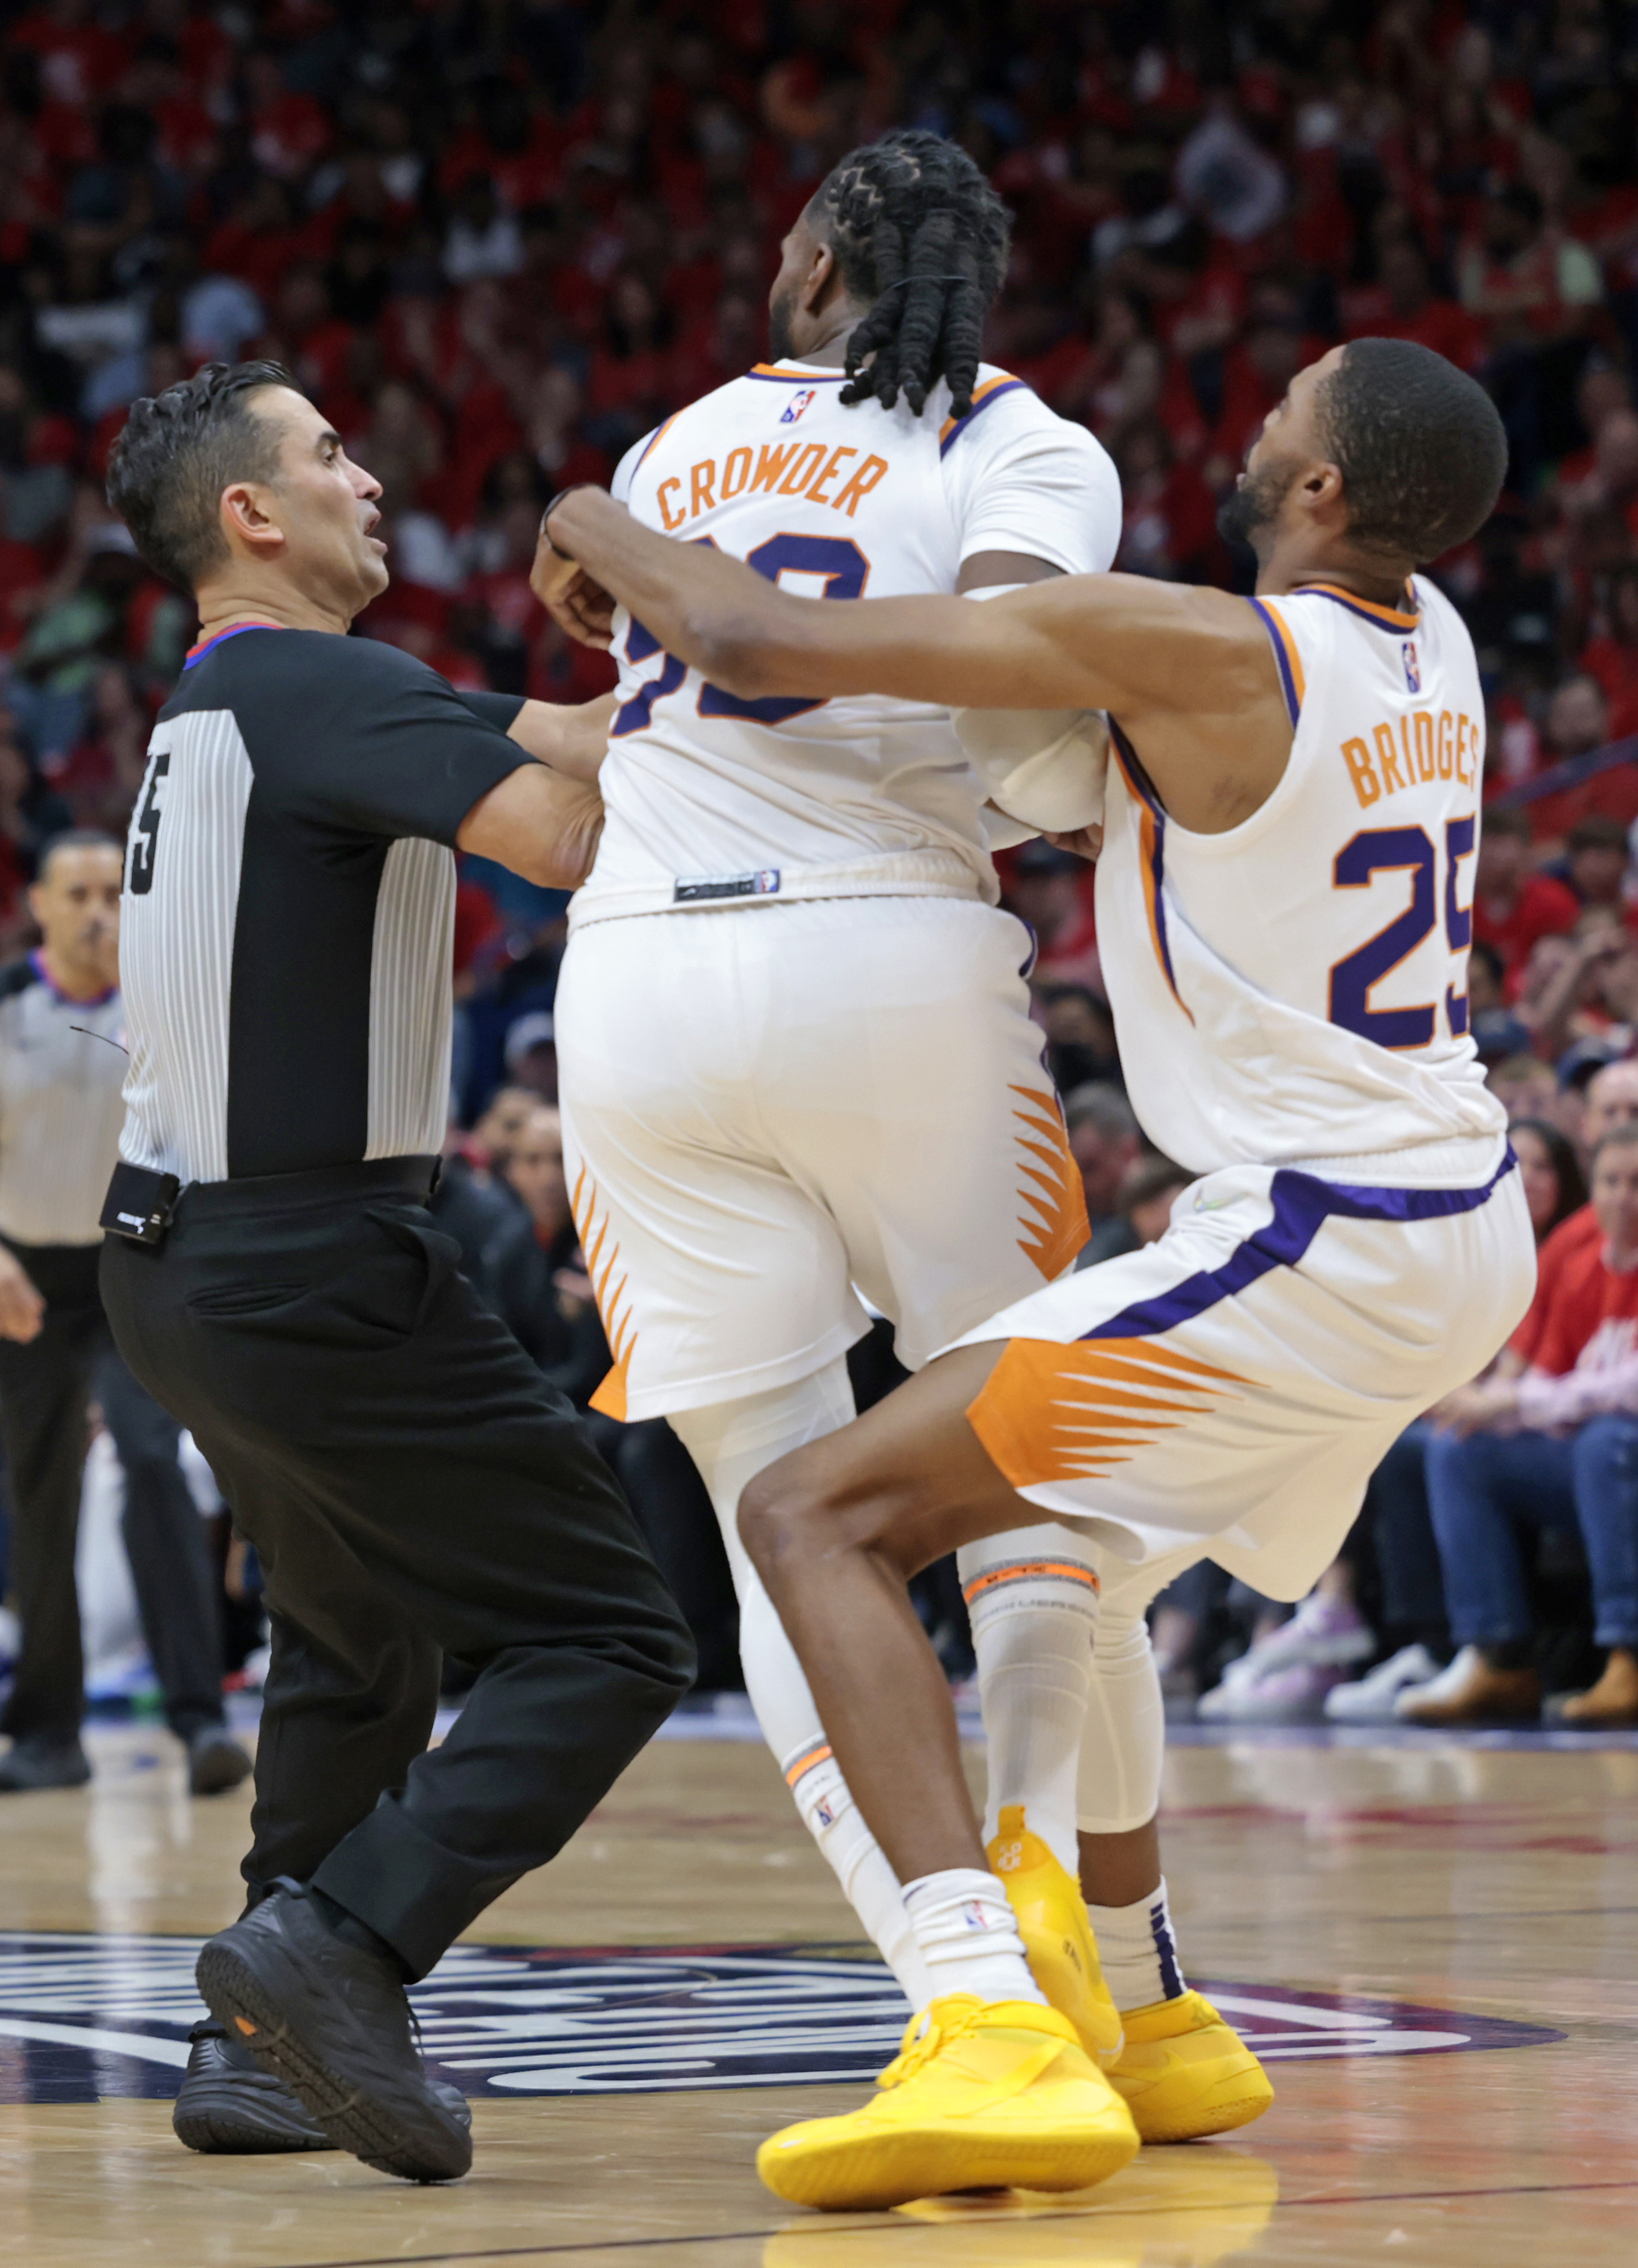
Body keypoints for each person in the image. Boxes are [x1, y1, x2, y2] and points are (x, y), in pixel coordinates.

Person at [539, 335, 1528, 2207]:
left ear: (1324, 490)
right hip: (1451, 1216)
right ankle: (1149, 2008)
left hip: (1322, 1234)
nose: (1248, 428)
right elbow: (1135, 785)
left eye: (1280, 414)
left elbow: (767, 648)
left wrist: (598, 514)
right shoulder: (1432, 640)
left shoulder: (1214, 649)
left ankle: (990, 2021)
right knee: (1079, 1562)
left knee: (819, 1511)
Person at [539, 129, 1179, 2105]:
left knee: (781, 1524)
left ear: (813, 253)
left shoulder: (669, 452)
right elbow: (1010, 719)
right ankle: (1077, 1916)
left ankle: (963, 1991)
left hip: (636, 975)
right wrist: (1061, 794)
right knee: (1027, 1459)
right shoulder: (1027, 445)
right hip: (896, 961)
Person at [96, 361, 692, 2182]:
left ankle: (258, 2048)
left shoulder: (234, 699)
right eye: (330, 455)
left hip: (173, 1263)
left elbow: (571, 737)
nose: (369, 478)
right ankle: (339, 1947)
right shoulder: (325, 684)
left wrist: (721, 683)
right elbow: (568, 833)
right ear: (251, 518)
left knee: (358, 1633)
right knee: (615, 1626)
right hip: (312, 1252)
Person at [0, 828, 247, 1797]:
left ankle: (200, 1717)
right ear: (36, 905)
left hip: (132, 1266)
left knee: (147, 1460)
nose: (95, 912)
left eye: (109, 894)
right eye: (74, 893)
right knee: (37, 1490)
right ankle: (47, 1732)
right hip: (23, 1274)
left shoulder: (162, 1001)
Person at [1403, 1121, 1638, 1726]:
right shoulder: (1579, 1264)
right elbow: (1543, 1376)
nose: (1622, 1196)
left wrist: (1514, 1406)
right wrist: (1487, 1404)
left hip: (1629, 1449)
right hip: (1594, 1457)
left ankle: (1634, 1656)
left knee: (1608, 1439)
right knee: (1462, 1448)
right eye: (1610, 1181)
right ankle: (1501, 1658)